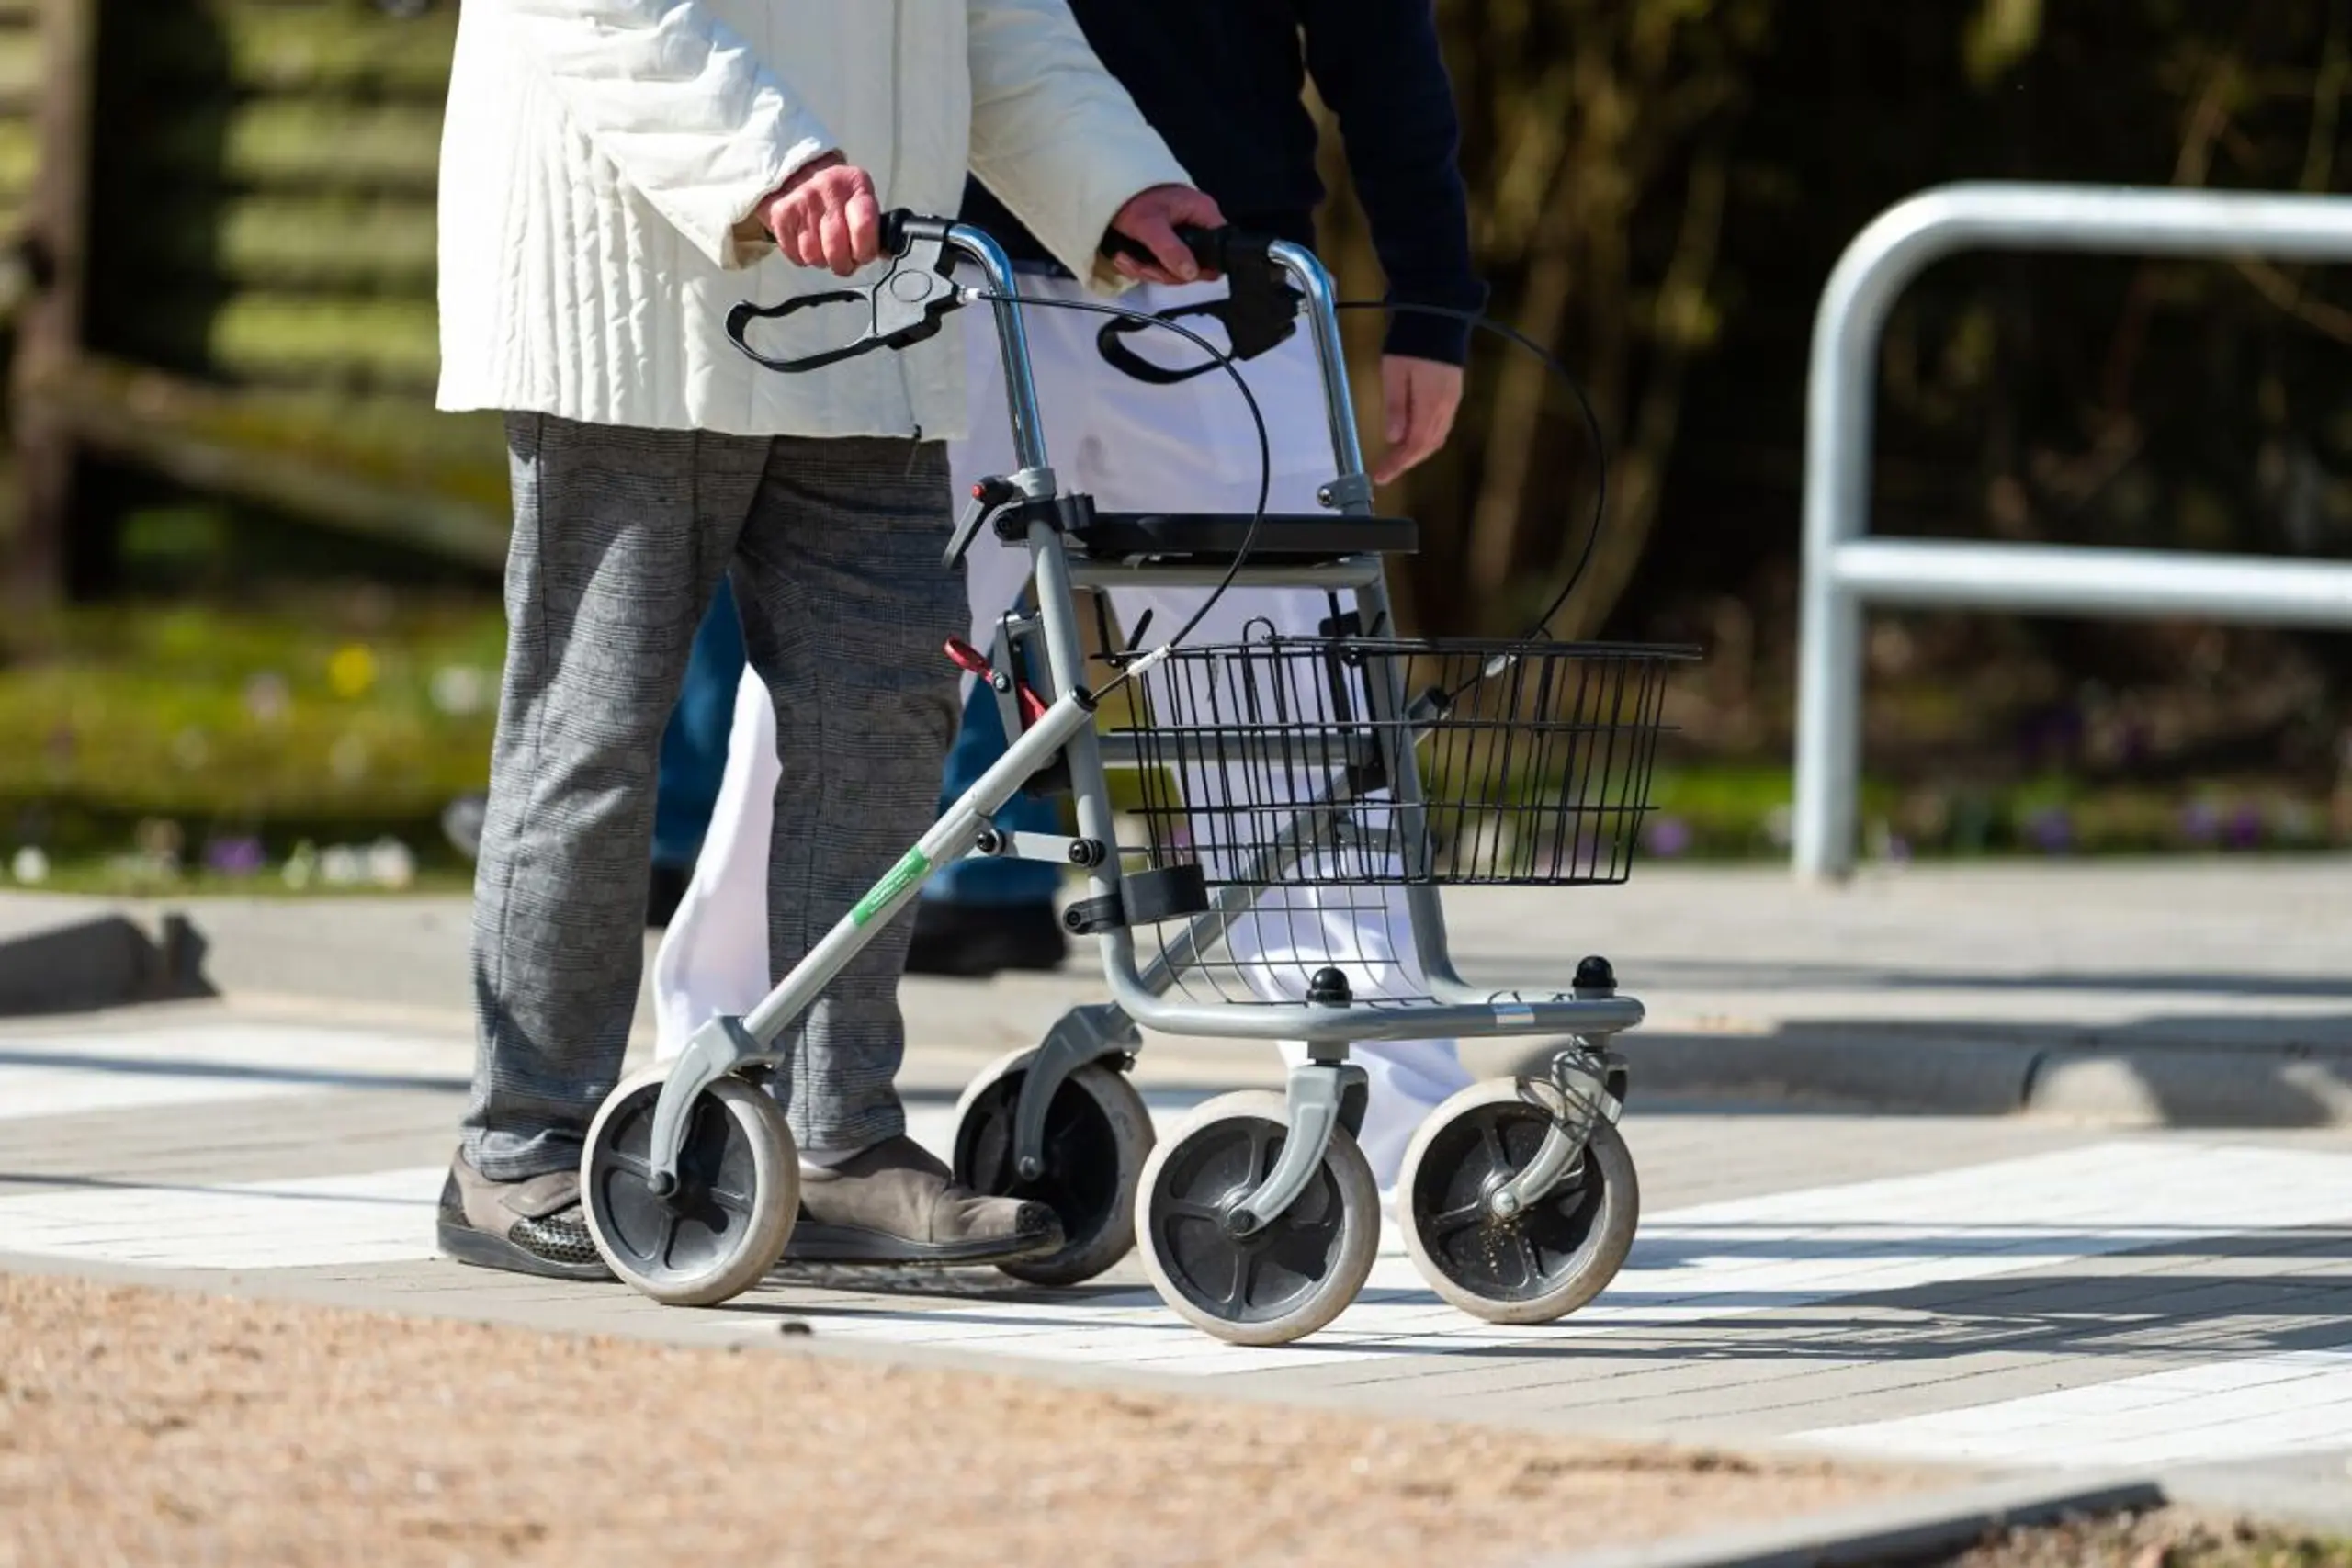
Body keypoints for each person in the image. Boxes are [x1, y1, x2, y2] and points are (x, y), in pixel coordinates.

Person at [431, 0, 1221, 1282]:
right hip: (642, 294)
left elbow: (995, 17)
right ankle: (518, 1142)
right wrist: (769, 161)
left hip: (864, 301)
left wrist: (1117, 185)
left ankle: (835, 1137)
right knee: (597, 723)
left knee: (891, 697)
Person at [655, 0, 1488, 1202]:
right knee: (849, 682)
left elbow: (1381, 37)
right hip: (948, 272)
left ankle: (1389, 1110)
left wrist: (1432, 293)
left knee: (1291, 706)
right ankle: (725, 1049)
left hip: (1223, 271)